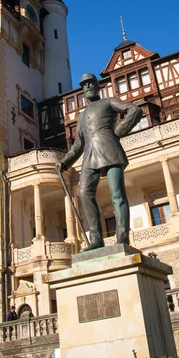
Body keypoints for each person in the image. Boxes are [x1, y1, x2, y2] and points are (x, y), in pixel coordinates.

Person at [58, 73, 142, 251]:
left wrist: (118, 131)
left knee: (117, 195)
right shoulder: (81, 117)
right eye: (84, 85)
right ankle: (96, 240)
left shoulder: (109, 101)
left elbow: (134, 110)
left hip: (110, 150)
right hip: (89, 155)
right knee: (84, 193)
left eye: (90, 84)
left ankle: (122, 238)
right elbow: (78, 144)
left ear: (97, 86)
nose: (87, 87)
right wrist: (64, 162)